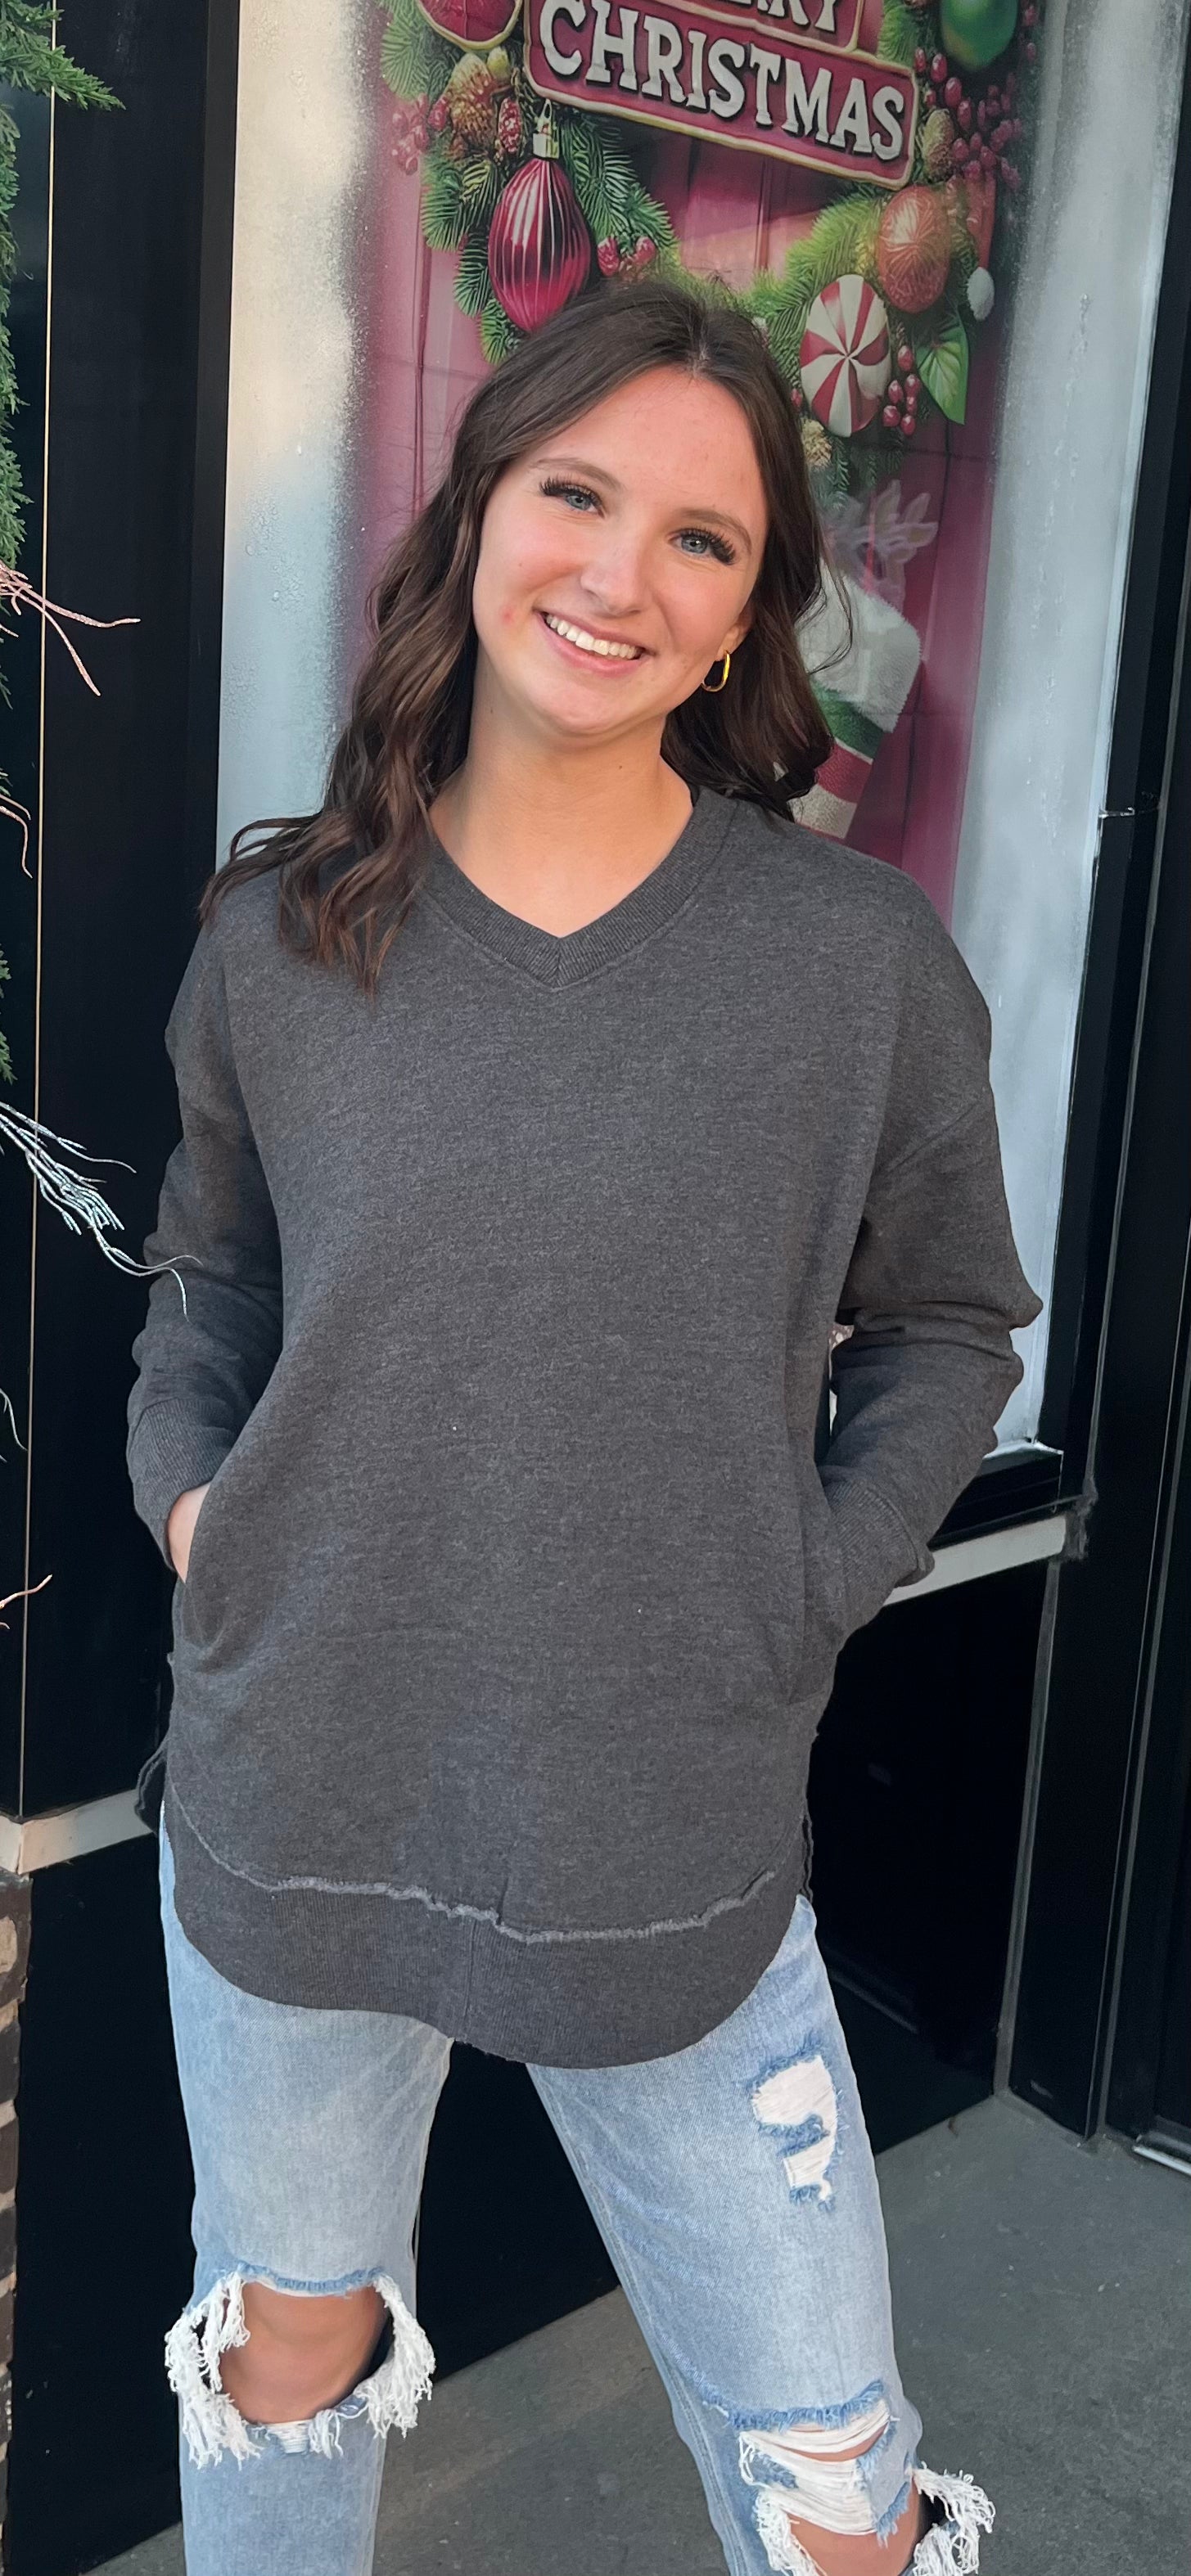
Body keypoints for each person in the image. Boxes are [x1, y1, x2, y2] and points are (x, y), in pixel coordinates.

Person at [127, 277, 1042, 2576]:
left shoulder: (849, 967)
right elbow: (211, 1273)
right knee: (284, 2353)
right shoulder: (281, 931)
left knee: (835, 2487)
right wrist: (197, 1505)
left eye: (702, 540)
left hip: (673, 1839)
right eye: (577, 494)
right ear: (478, 512)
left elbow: (953, 1325)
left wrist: (801, 1581)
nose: (622, 574)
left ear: (749, 614)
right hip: (297, 1798)